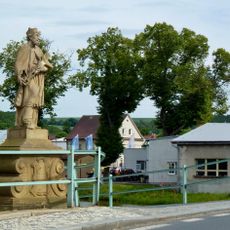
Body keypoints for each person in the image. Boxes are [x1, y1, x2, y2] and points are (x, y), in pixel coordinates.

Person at [15, 27, 53, 129]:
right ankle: (26, 119)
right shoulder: (24, 48)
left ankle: (32, 122)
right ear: (30, 36)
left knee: (36, 98)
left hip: (37, 76)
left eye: (39, 36)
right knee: (33, 92)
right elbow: (18, 62)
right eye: (37, 35)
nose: (39, 38)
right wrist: (19, 75)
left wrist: (43, 68)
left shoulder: (39, 50)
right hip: (27, 76)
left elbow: (46, 64)